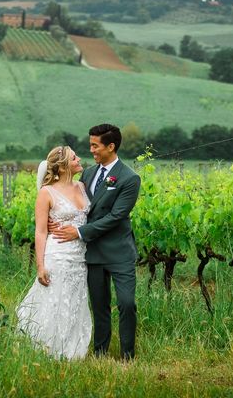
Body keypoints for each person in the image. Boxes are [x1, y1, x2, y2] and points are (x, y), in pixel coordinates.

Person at [53, 124, 141, 360]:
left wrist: (80, 232)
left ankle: (127, 356)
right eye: (90, 144)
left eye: (95, 145)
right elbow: (76, 205)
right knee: (99, 306)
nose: (91, 150)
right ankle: (100, 353)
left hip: (119, 251)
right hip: (92, 253)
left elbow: (115, 217)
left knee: (126, 303)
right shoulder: (89, 174)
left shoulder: (130, 178)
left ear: (111, 146)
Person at [16, 145, 92, 360]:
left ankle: (74, 347)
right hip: (57, 255)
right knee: (56, 300)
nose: (79, 159)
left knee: (75, 299)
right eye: (74, 157)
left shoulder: (82, 186)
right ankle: (49, 347)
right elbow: (40, 232)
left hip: (80, 256)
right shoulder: (46, 193)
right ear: (63, 165)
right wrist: (40, 265)